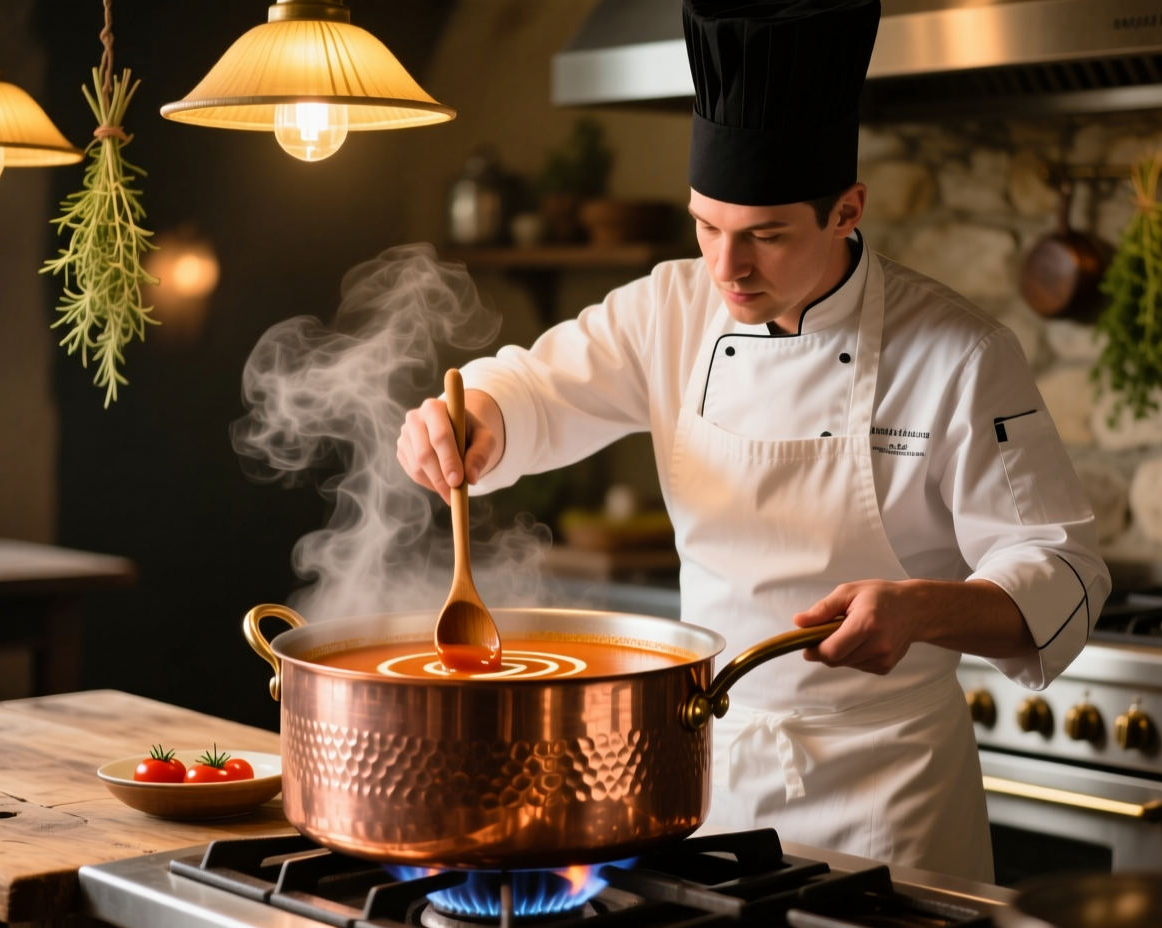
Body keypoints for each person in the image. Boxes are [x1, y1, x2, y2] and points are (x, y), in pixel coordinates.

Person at [397, 0, 1109, 882]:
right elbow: (536, 386)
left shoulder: (959, 354)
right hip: (709, 779)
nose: (727, 270)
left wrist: (926, 610)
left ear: (847, 209)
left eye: (765, 237)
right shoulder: (670, 306)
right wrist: (474, 418)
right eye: (706, 226)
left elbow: (1066, 569)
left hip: (886, 799)